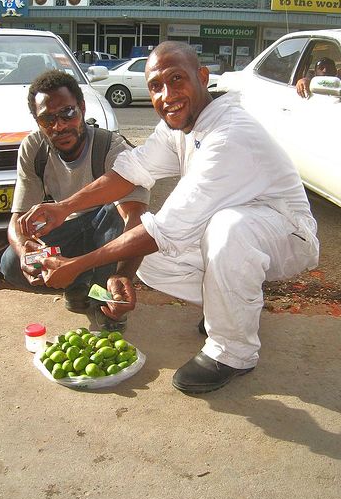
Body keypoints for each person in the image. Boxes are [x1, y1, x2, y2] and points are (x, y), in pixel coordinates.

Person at [18, 42, 319, 395]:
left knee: (225, 229)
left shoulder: (229, 135)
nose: (167, 95)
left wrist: (76, 264)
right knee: (147, 260)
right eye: (155, 86)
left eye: (177, 79)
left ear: (202, 77)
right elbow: (132, 171)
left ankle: (234, 351)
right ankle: (230, 311)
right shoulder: (181, 126)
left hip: (286, 233)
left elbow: (164, 229)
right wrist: (64, 207)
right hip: (241, 225)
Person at [0, 69, 149, 329]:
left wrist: (123, 275)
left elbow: (135, 220)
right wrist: (24, 251)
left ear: (81, 108)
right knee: (11, 264)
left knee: (116, 214)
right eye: (47, 119)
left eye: (67, 113)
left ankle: (106, 301)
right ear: (37, 122)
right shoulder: (34, 149)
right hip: (68, 229)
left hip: (106, 231)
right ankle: (79, 285)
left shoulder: (111, 148)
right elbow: (17, 219)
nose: (59, 126)